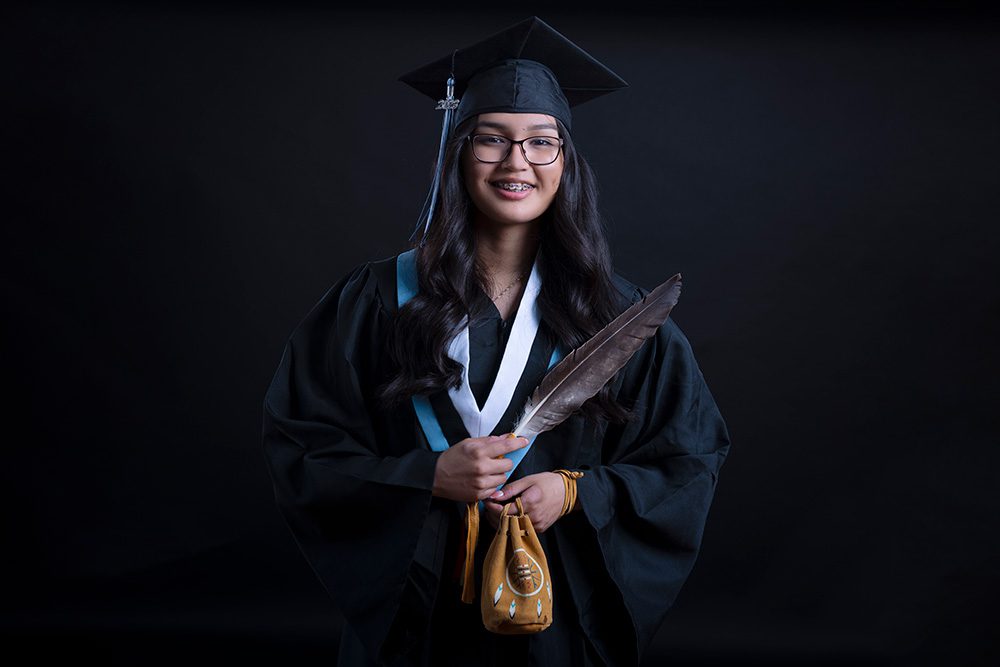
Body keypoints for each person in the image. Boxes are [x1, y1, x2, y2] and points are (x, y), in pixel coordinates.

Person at [262, 16, 731, 667]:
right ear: (458, 152)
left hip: (549, 621)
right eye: (492, 140)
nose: (518, 163)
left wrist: (574, 492)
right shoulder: (372, 302)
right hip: (416, 626)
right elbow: (303, 448)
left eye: (542, 143)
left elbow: (690, 458)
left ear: (566, 162)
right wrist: (426, 476)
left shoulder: (614, 315)